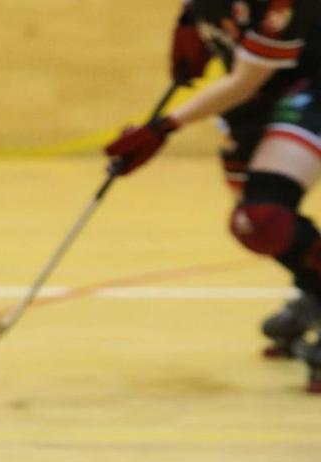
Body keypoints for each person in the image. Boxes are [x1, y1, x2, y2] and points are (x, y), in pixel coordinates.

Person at [104, 0, 321, 392]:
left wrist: (163, 127)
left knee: (266, 214)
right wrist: (191, 17)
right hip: (263, 96)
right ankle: (314, 289)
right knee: (258, 224)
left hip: (304, 85)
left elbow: (243, 81)